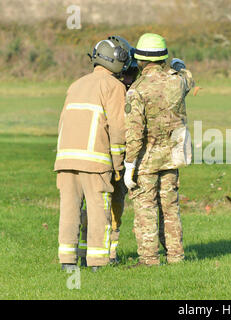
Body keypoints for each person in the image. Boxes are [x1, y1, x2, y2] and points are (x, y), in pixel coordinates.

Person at [55, 37, 128, 271]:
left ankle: (68, 261)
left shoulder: (76, 84)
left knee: (69, 209)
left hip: (65, 159)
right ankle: (97, 262)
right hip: (95, 162)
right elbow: (118, 129)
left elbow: (63, 122)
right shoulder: (114, 87)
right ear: (116, 60)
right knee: (98, 211)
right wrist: (118, 165)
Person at [124, 33, 194, 267]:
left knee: (146, 209)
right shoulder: (178, 81)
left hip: (146, 161)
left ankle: (149, 259)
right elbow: (188, 77)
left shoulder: (137, 90)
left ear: (140, 59)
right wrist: (178, 65)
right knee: (170, 208)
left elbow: (134, 132)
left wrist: (129, 164)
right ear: (163, 56)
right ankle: (176, 256)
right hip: (173, 157)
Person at [78, 36, 138, 266]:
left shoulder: (101, 84)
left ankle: (105, 253)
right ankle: (98, 255)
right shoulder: (111, 87)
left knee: (111, 209)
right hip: (106, 158)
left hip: (104, 157)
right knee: (101, 208)